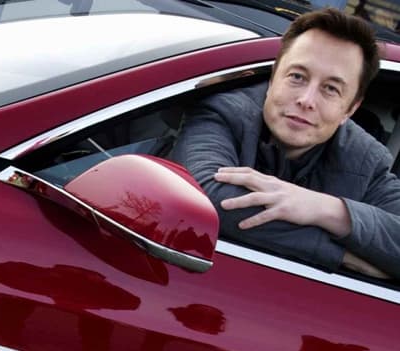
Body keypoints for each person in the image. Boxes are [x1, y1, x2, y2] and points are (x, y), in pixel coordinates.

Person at [171, 8, 400, 279]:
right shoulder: (223, 113)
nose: (306, 100)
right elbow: (205, 196)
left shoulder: (366, 161)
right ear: (273, 79)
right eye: (297, 77)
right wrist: (341, 256)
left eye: (331, 88)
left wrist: (328, 210)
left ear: (350, 110)